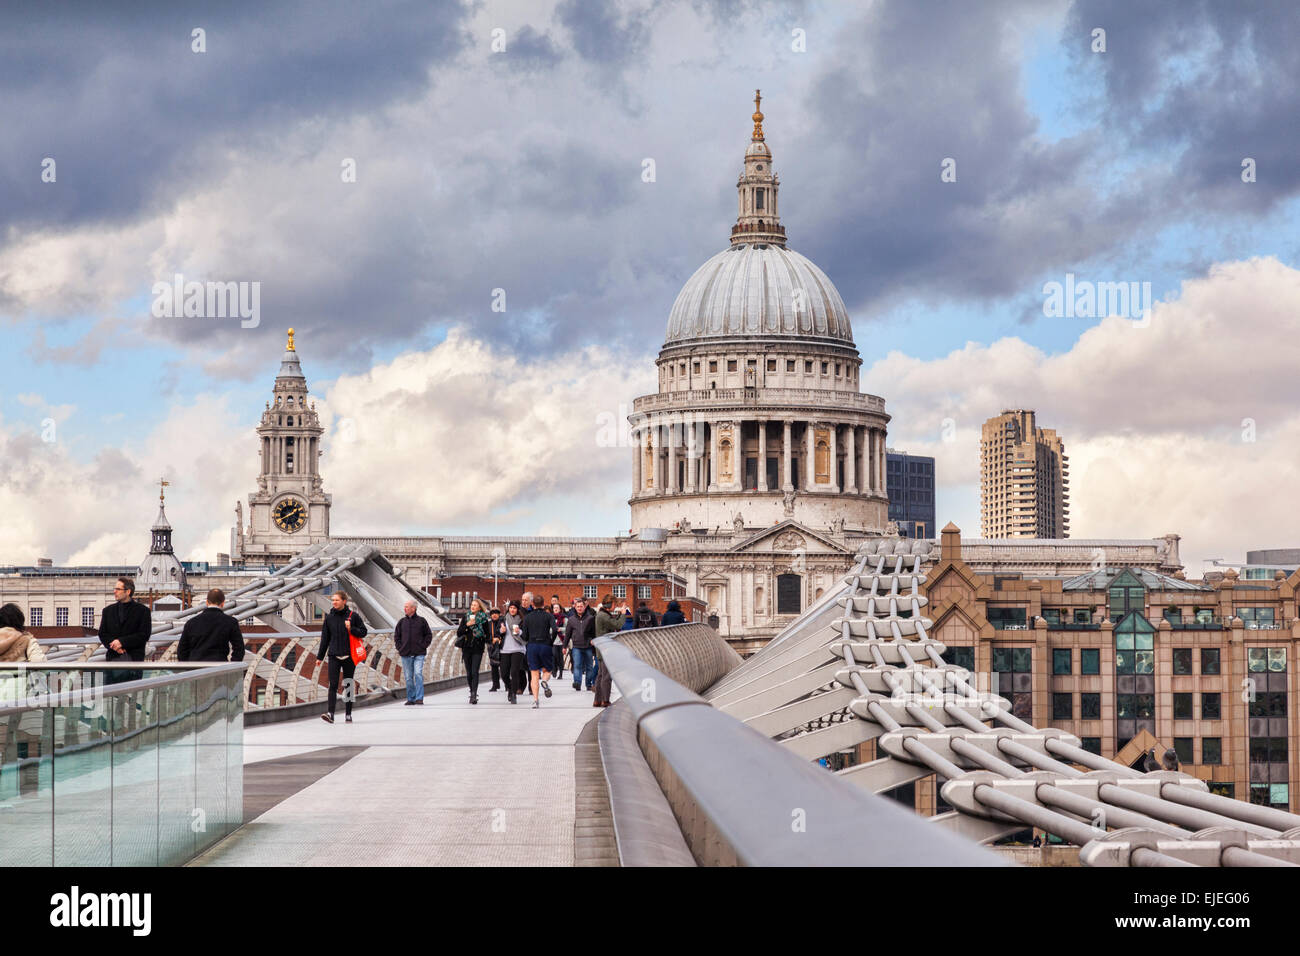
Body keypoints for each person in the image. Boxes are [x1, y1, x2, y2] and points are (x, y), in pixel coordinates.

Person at [318, 591, 366, 724]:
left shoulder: (353, 616)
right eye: (333, 600)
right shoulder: (329, 618)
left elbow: (364, 632)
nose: (334, 602)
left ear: (344, 601)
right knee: (332, 685)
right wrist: (319, 657)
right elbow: (325, 638)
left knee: (348, 684)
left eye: (337, 600)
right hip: (334, 655)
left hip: (349, 656)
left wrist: (352, 629)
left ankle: (348, 714)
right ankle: (330, 714)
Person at [99, 576, 151, 683]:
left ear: (128, 591)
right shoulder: (107, 611)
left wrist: (121, 642)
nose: (114, 591)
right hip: (113, 662)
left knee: (132, 696)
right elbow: (102, 633)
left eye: (118, 589)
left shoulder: (143, 611)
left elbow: (144, 634)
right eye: (114, 589)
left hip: (133, 663)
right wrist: (115, 646)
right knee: (111, 696)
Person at [177, 588, 245, 662]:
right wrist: (232, 666)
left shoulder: (191, 622)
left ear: (207, 602)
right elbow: (239, 648)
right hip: (220, 667)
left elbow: (181, 651)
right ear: (223, 603)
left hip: (195, 667)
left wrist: (188, 666)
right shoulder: (231, 622)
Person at [395, 599, 433, 705]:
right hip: (405, 654)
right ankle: (411, 698)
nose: (405, 608)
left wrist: (423, 646)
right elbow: (397, 636)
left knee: (418, 674)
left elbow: (428, 635)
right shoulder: (401, 622)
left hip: (419, 653)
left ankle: (419, 698)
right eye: (405, 606)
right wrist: (400, 647)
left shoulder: (422, 621)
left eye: (407, 607)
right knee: (408, 677)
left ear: (413, 608)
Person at [521, 594, 556, 709]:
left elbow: (524, 636)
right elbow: (555, 630)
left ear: (533, 604)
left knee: (534, 673)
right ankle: (545, 681)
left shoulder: (527, 617)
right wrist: (551, 641)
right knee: (548, 670)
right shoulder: (548, 616)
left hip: (532, 646)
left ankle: (535, 700)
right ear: (543, 603)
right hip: (545, 645)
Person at [457, 599, 489, 704]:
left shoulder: (483, 618)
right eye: (472, 605)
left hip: (478, 647)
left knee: (475, 671)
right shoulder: (466, 617)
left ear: (479, 608)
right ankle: (471, 691)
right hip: (467, 647)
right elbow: (459, 632)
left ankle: (474, 694)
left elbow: (487, 634)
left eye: (475, 605)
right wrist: (467, 625)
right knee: (469, 672)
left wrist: (482, 636)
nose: (473, 607)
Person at [565, 597, 598, 691]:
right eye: (578, 606)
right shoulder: (571, 619)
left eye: (581, 606)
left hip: (588, 646)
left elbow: (594, 632)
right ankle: (577, 683)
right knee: (577, 665)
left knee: (589, 667)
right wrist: (564, 646)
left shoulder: (591, 618)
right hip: (576, 646)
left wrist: (593, 640)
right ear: (575, 607)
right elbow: (568, 634)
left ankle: (588, 684)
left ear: (584, 607)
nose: (579, 608)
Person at [500, 601, 527, 704]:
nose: (512, 610)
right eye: (511, 607)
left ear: (517, 610)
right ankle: (511, 688)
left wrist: (519, 631)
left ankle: (513, 694)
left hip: (518, 648)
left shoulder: (522, 620)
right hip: (505, 649)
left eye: (514, 608)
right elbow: (497, 631)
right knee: (504, 673)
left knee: (514, 672)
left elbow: (526, 634)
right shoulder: (503, 619)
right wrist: (501, 631)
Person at [486, 606, 506, 692]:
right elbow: (485, 636)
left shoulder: (503, 622)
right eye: (492, 613)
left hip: (503, 647)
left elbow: (506, 634)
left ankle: (507, 684)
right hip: (493, 647)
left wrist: (500, 638)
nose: (494, 615)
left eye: (496, 613)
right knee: (494, 667)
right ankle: (495, 685)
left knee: (504, 668)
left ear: (499, 614)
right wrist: (491, 640)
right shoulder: (488, 624)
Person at [549, 599, 568, 680]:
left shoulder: (564, 618)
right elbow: (547, 629)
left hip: (561, 640)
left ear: (560, 609)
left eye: (557, 608)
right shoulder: (550, 618)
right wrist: (554, 630)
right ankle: (554, 670)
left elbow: (567, 629)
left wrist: (560, 629)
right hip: (553, 641)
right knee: (554, 657)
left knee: (560, 658)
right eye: (554, 608)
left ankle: (561, 673)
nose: (555, 609)